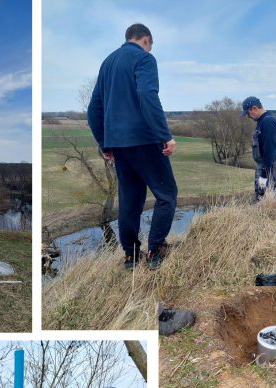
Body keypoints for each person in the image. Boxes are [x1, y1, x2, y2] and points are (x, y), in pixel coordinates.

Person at [87, 23, 177, 271]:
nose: (149, 49)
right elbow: (148, 95)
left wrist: (104, 143)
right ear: (146, 40)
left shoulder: (107, 63)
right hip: (145, 140)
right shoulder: (145, 59)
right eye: (150, 45)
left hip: (119, 145)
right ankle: (155, 250)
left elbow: (93, 109)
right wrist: (164, 135)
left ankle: (131, 255)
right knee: (166, 195)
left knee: (130, 200)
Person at [241, 96, 276, 199]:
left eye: (248, 113)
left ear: (254, 108)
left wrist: (264, 175)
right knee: (262, 193)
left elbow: (270, 151)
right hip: (266, 166)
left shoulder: (267, 122)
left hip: (269, 167)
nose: (248, 116)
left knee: (264, 196)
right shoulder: (262, 121)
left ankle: (268, 214)